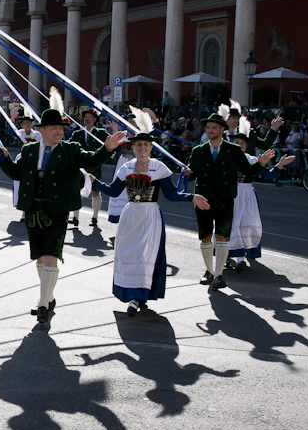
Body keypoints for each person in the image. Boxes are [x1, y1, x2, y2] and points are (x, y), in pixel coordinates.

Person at [0, 88, 126, 325]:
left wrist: (107, 148)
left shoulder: (71, 150)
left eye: (61, 129)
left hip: (57, 210)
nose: (59, 132)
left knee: (51, 256)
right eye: (54, 128)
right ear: (42, 130)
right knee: (39, 258)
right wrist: (4, 160)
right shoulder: (28, 150)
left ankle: (43, 305)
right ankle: (49, 295)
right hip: (33, 210)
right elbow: (17, 174)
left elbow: (92, 159)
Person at [93, 108, 210, 315]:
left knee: (146, 255)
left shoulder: (159, 168)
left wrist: (193, 196)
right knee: (127, 253)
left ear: (151, 148)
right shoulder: (126, 167)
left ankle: (139, 297)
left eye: (146, 145)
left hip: (150, 217)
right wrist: (95, 183)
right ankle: (131, 295)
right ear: (134, 147)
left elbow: (171, 194)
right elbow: (114, 190)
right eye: (139, 145)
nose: (143, 148)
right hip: (130, 217)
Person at [183, 110, 276, 291]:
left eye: (213, 128)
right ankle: (209, 271)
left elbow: (247, 172)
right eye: (208, 127)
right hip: (204, 199)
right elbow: (193, 174)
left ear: (222, 129)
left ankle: (218, 275)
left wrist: (261, 163)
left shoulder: (233, 150)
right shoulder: (198, 151)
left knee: (222, 236)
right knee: (205, 237)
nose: (209, 130)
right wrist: (187, 172)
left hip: (225, 198)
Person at [228, 116, 296, 271]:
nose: (239, 145)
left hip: (246, 195)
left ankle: (240, 259)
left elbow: (266, 174)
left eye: (242, 143)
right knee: (231, 225)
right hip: (229, 194)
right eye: (236, 143)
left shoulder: (250, 159)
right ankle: (228, 256)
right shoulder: (223, 158)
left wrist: (279, 165)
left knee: (247, 225)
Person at [68, 109, 110, 227]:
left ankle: (95, 217)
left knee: (95, 192)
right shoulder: (77, 134)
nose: (87, 119)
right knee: (77, 191)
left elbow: (108, 146)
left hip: (94, 167)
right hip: (80, 168)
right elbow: (70, 146)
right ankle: (75, 218)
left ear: (95, 119)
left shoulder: (101, 133)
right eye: (85, 116)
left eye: (90, 117)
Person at [12, 110, 41, 211]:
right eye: (25, 123)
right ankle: (21, 207)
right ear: (22, 125)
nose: (27, 125)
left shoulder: (37, 134)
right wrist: (12, 118)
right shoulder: (20, 133)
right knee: (18, 183)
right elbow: (11, 131)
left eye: (29, 123)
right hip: (22, 159)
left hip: (35, 160)